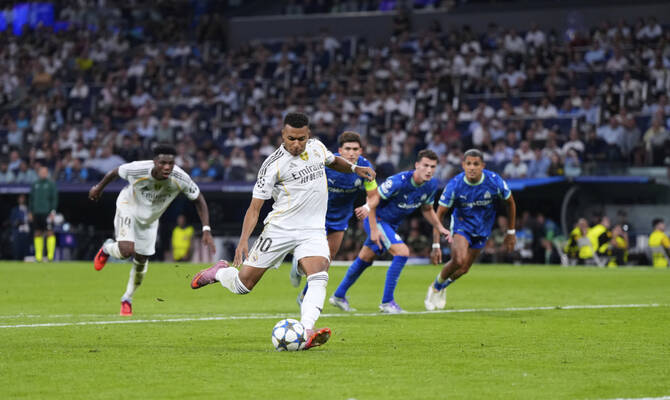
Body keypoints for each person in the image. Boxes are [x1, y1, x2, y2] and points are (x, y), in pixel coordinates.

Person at [190, 112, 375, 350]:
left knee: (319, 273)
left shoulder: (317, 147)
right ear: (282, 136)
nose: (296, 144)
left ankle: (306, 331)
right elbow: (254, 208)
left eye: (301, 139)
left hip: (312, 230)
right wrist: (243, 240)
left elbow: (333, 161)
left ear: (308, 135)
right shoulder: (272, 165)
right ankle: (218, 273)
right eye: (291, 139)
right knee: (243, 286)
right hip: (280, 229)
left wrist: (354, 168)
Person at [88, 144, 215, 316]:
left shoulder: (180, 177)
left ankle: (127, 298)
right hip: (128, 206)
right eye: (163, 163)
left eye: (171, 163)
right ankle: (106, 248)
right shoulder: (138, 169)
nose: (167, 167)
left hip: (150, 220)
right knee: (126, 250)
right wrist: (98, 188)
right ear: (155, 162)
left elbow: (198, 199)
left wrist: (206, 228)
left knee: (141, 261)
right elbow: (115, 172)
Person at [330, 149, 451, 314]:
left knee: (365, 259)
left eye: (432, 167)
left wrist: (440, 227)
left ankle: (338, 295)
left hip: (391, 225)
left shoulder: (431, 185)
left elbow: (427, 209)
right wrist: (372, 225)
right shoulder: (398, 181)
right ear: (417, 165)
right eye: (425, 165)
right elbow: (374, 198)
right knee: (402, 252)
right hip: (377, 219)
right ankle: (387, 302)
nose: (429, 170)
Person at [290, 131, 379, 304]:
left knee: (327, 261)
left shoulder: (365, 167)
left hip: (340, 219)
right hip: (317, 216)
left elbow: (374, 196)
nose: (351, 153)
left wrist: (367, 207)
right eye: (348, 149)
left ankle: (304, 296)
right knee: (318, 257)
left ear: (361, 151)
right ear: (340, 150)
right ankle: (299, 261)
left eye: (355, 149)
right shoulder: (327, 163)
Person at [424, 149, 517, 311]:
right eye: (468, 164)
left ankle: (443, 286)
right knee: (458, 260)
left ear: (483, 166)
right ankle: (434, 288)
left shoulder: (494, 181)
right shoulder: (455, 185)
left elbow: (510, 203)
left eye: (476, 164)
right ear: (463, 165)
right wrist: (436, 245)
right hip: (462, 225)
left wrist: (511, 232)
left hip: (483, 228)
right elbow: (439, 215)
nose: (472, 167)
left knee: (464, 269)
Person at [29, 166, 58, 262]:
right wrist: (30, 211)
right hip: (36, 213)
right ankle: (38, 256)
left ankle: (50, 256)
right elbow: (31, 199)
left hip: (47, 213)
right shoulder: (35, 184)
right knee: (37, 233)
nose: (43, 174)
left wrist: (53, 212)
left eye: (45, 172)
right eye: (42, 172)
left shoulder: (51, 184)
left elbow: (54, 199)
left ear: (47, 173)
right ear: (38, 173)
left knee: (49, 232)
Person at [10, 194, 31, 260]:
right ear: (18, 200)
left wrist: (30, 218)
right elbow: (12, 221)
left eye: (23, 198)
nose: (22, 200)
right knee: (17, 249)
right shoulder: (15, 210)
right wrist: (18, 222)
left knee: (26, 250)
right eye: (20, 198)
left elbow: (31, 220)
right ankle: (16, 260)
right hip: (18, 232)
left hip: (26, 232)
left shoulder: (28, 209)